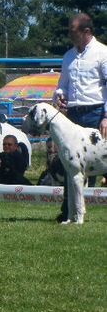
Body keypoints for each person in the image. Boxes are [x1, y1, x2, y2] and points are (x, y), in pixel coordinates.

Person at [53, 12, 107, 221]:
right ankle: (69, 210)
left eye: (72, 31)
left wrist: (105, 116)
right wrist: (59, 96)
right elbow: (62, 85)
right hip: (73, 113)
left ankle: (79, 211)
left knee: (92, 165)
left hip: (95, 111)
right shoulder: (68, 56)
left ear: (86, 31)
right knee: (71, 165)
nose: (69, 35)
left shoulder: (102, 53)